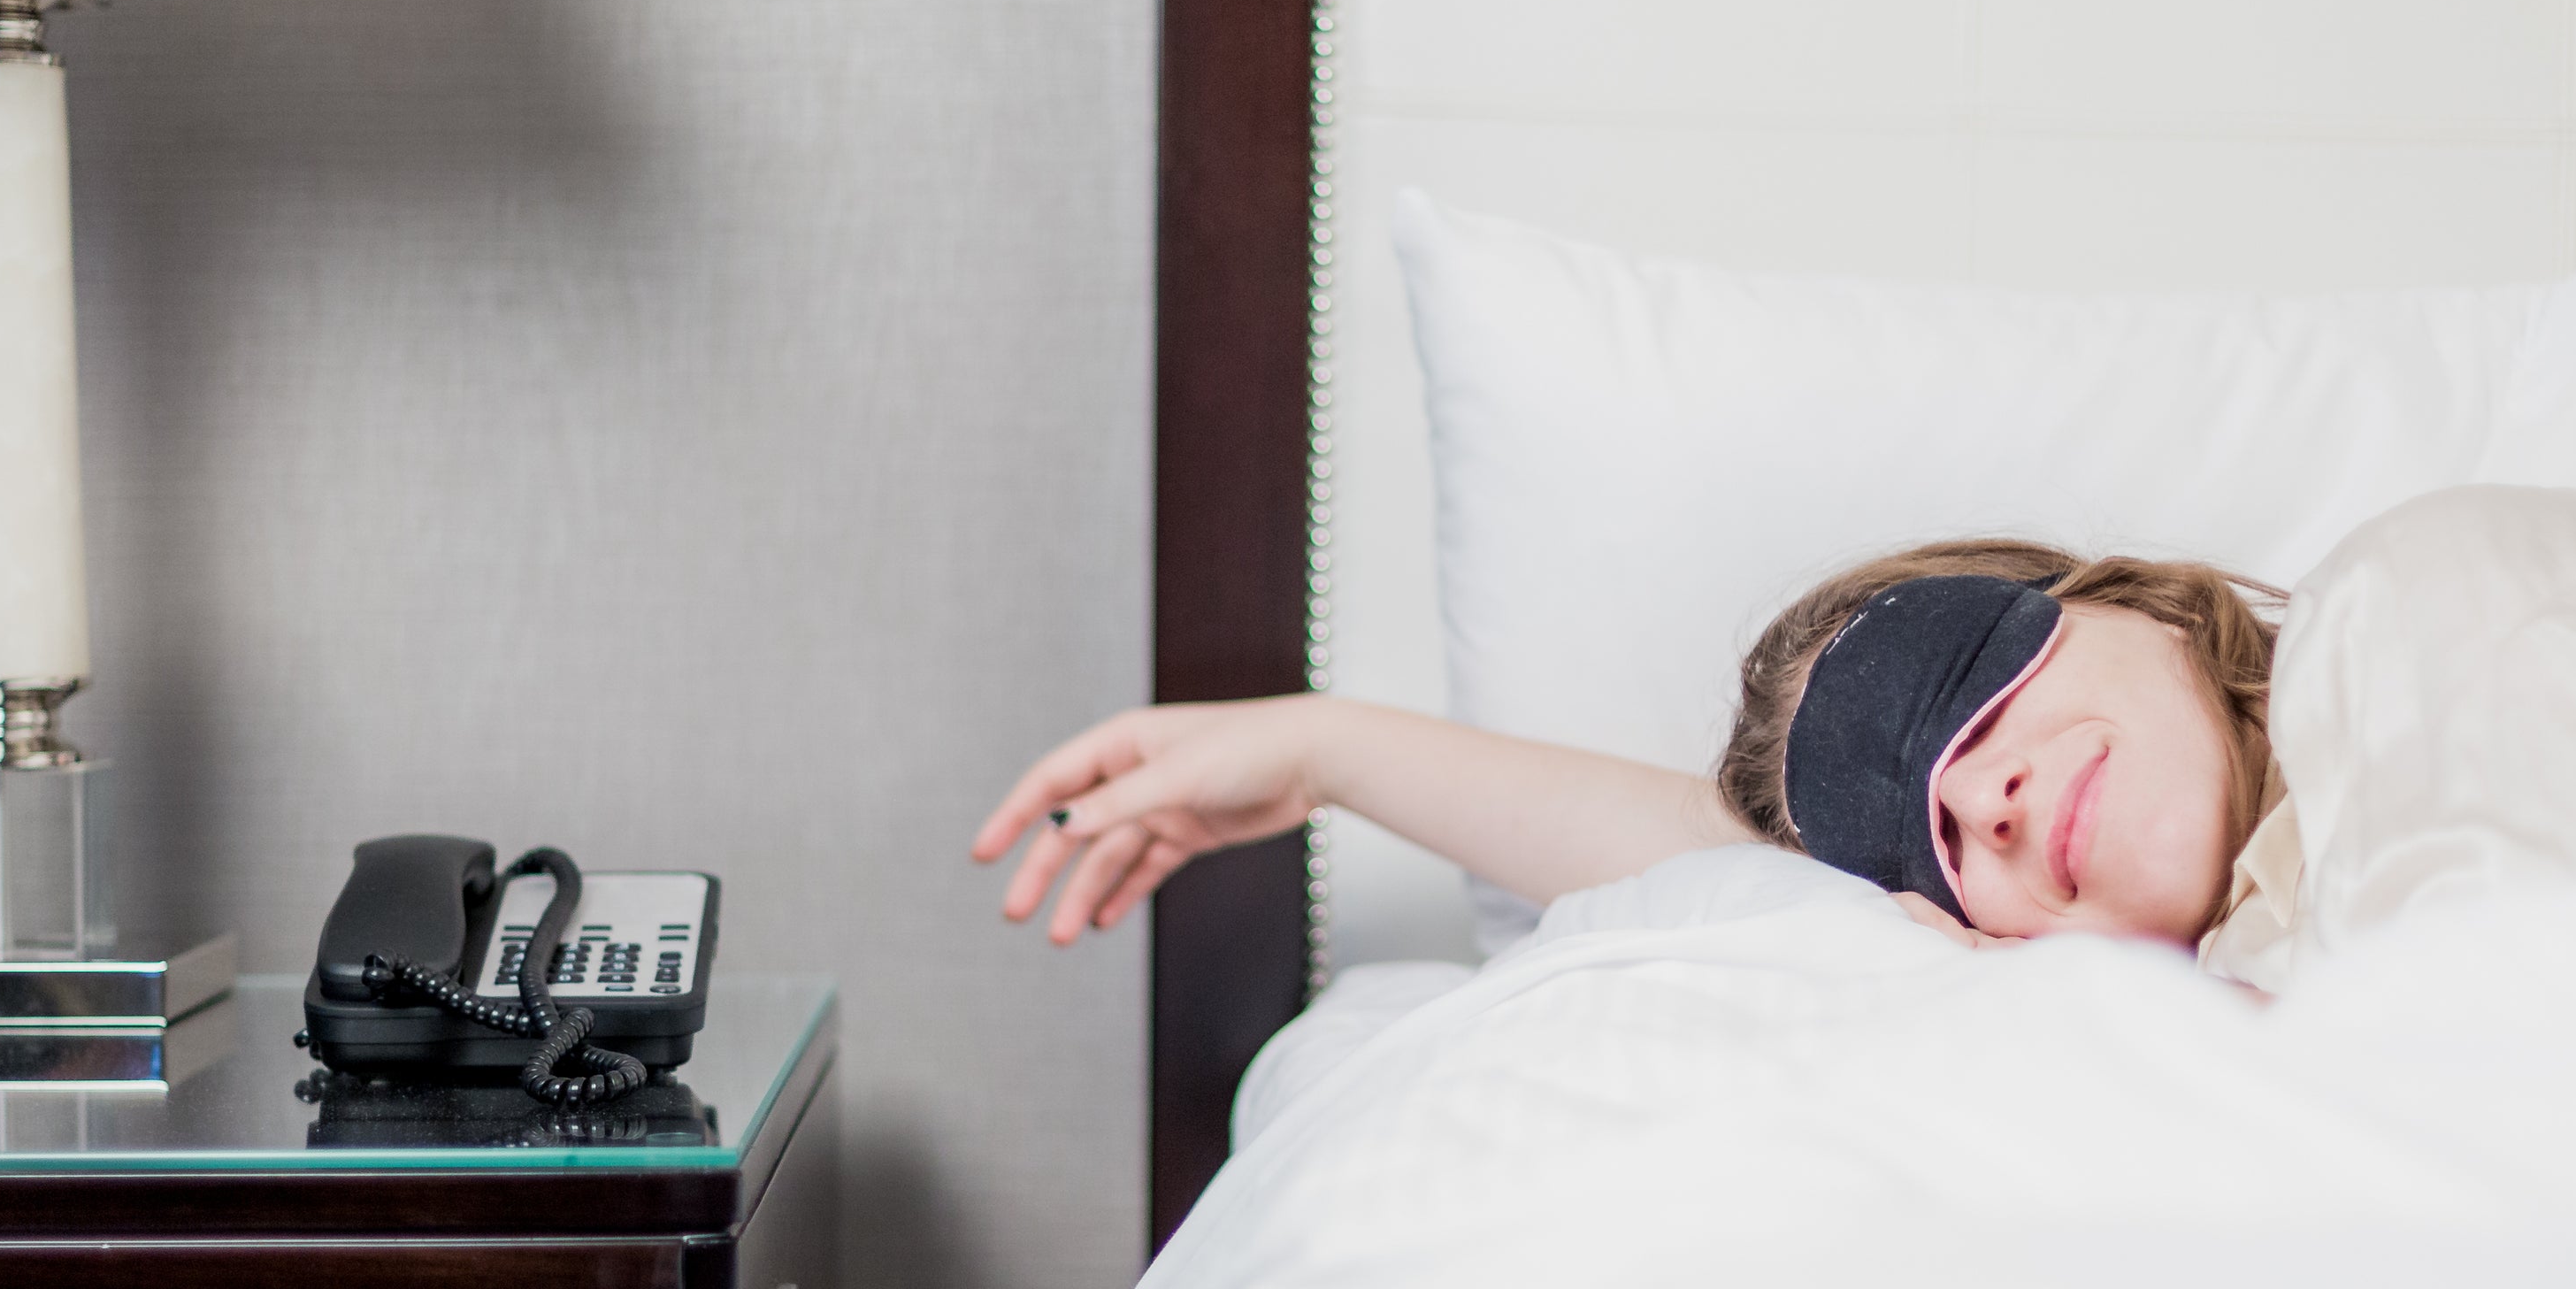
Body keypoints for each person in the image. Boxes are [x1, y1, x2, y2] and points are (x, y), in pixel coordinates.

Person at [973, 539, 2281, 957]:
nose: (1984, 801)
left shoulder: (2433, 622)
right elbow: (1738, 874)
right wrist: (1326, 752)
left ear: (2139, 605)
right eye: (1927, 846)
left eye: (1970, 679)